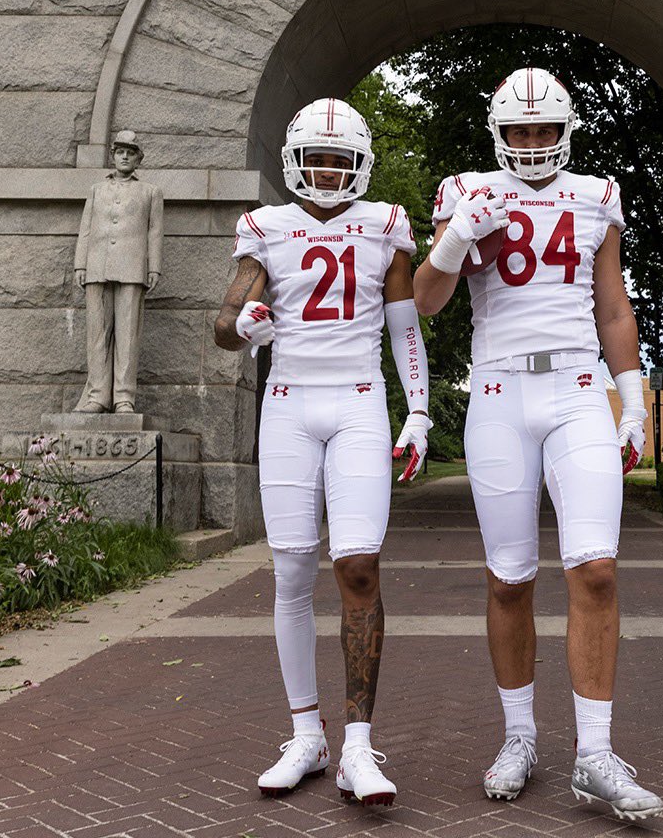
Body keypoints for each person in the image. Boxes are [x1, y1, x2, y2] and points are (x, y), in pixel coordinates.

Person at [413, 67, 663, 822]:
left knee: (595, 570)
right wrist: (458, 235)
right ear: (499, 134)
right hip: (496, 392)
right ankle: (519, 735)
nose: (530, 144)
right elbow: (425, 300)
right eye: (518, 132)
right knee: (509, 578)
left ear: (565, 132)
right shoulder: (465, 190)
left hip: (577, 390)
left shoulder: (597, 194)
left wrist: (634, 396)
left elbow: (613, 305)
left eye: (543, 131)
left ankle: (594, 752)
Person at [213, 98, 431, 808]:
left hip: (361, 400)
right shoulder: (267, 228)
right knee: (290, 569)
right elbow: (224, 323)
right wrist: (243, 324)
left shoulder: (385, 225)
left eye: (341, 159)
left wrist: (420, 410)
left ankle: (359, 746)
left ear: (360, 164)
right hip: (288, 405)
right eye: (318, 158)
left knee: (359, 566)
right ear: (296, 162)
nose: (330, 170)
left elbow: (404, 327)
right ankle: (306, 734)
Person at [73, 130, 163, 414]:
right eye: (120, 151)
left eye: (130, 152)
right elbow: (85, 229)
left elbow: (155, 232)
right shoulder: (97, 189)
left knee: (127, 335)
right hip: (97, 265)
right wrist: (80, 264)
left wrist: (154, 267)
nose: (125, 156)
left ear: (138, 159)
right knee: (97, 333)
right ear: (113, 156)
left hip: (132, 267)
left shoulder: (150, 191)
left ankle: (124, 397)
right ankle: (97, 395)